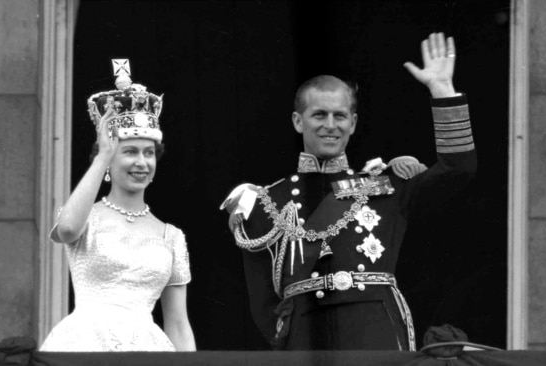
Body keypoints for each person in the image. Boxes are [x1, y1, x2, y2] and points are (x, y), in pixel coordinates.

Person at [221, 33, 476, 350]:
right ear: (298, 121)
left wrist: (442, 90)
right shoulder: (264, 201)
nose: (330, 125)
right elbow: (262, 302)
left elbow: (458, 169)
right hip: (304, 336)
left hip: (373, 331)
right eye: (319, 115)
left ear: (353, 123)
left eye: (339, 115)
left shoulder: (385, 185)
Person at [40, 60, 196, 352]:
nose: (141, 162)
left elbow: (177, 323)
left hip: (147, 349)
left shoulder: (171, 236)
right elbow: (68, 228)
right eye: (130, 152)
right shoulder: (86, 215)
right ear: (110, 158)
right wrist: (103, 156)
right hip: (84, 345)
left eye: (149, 153)